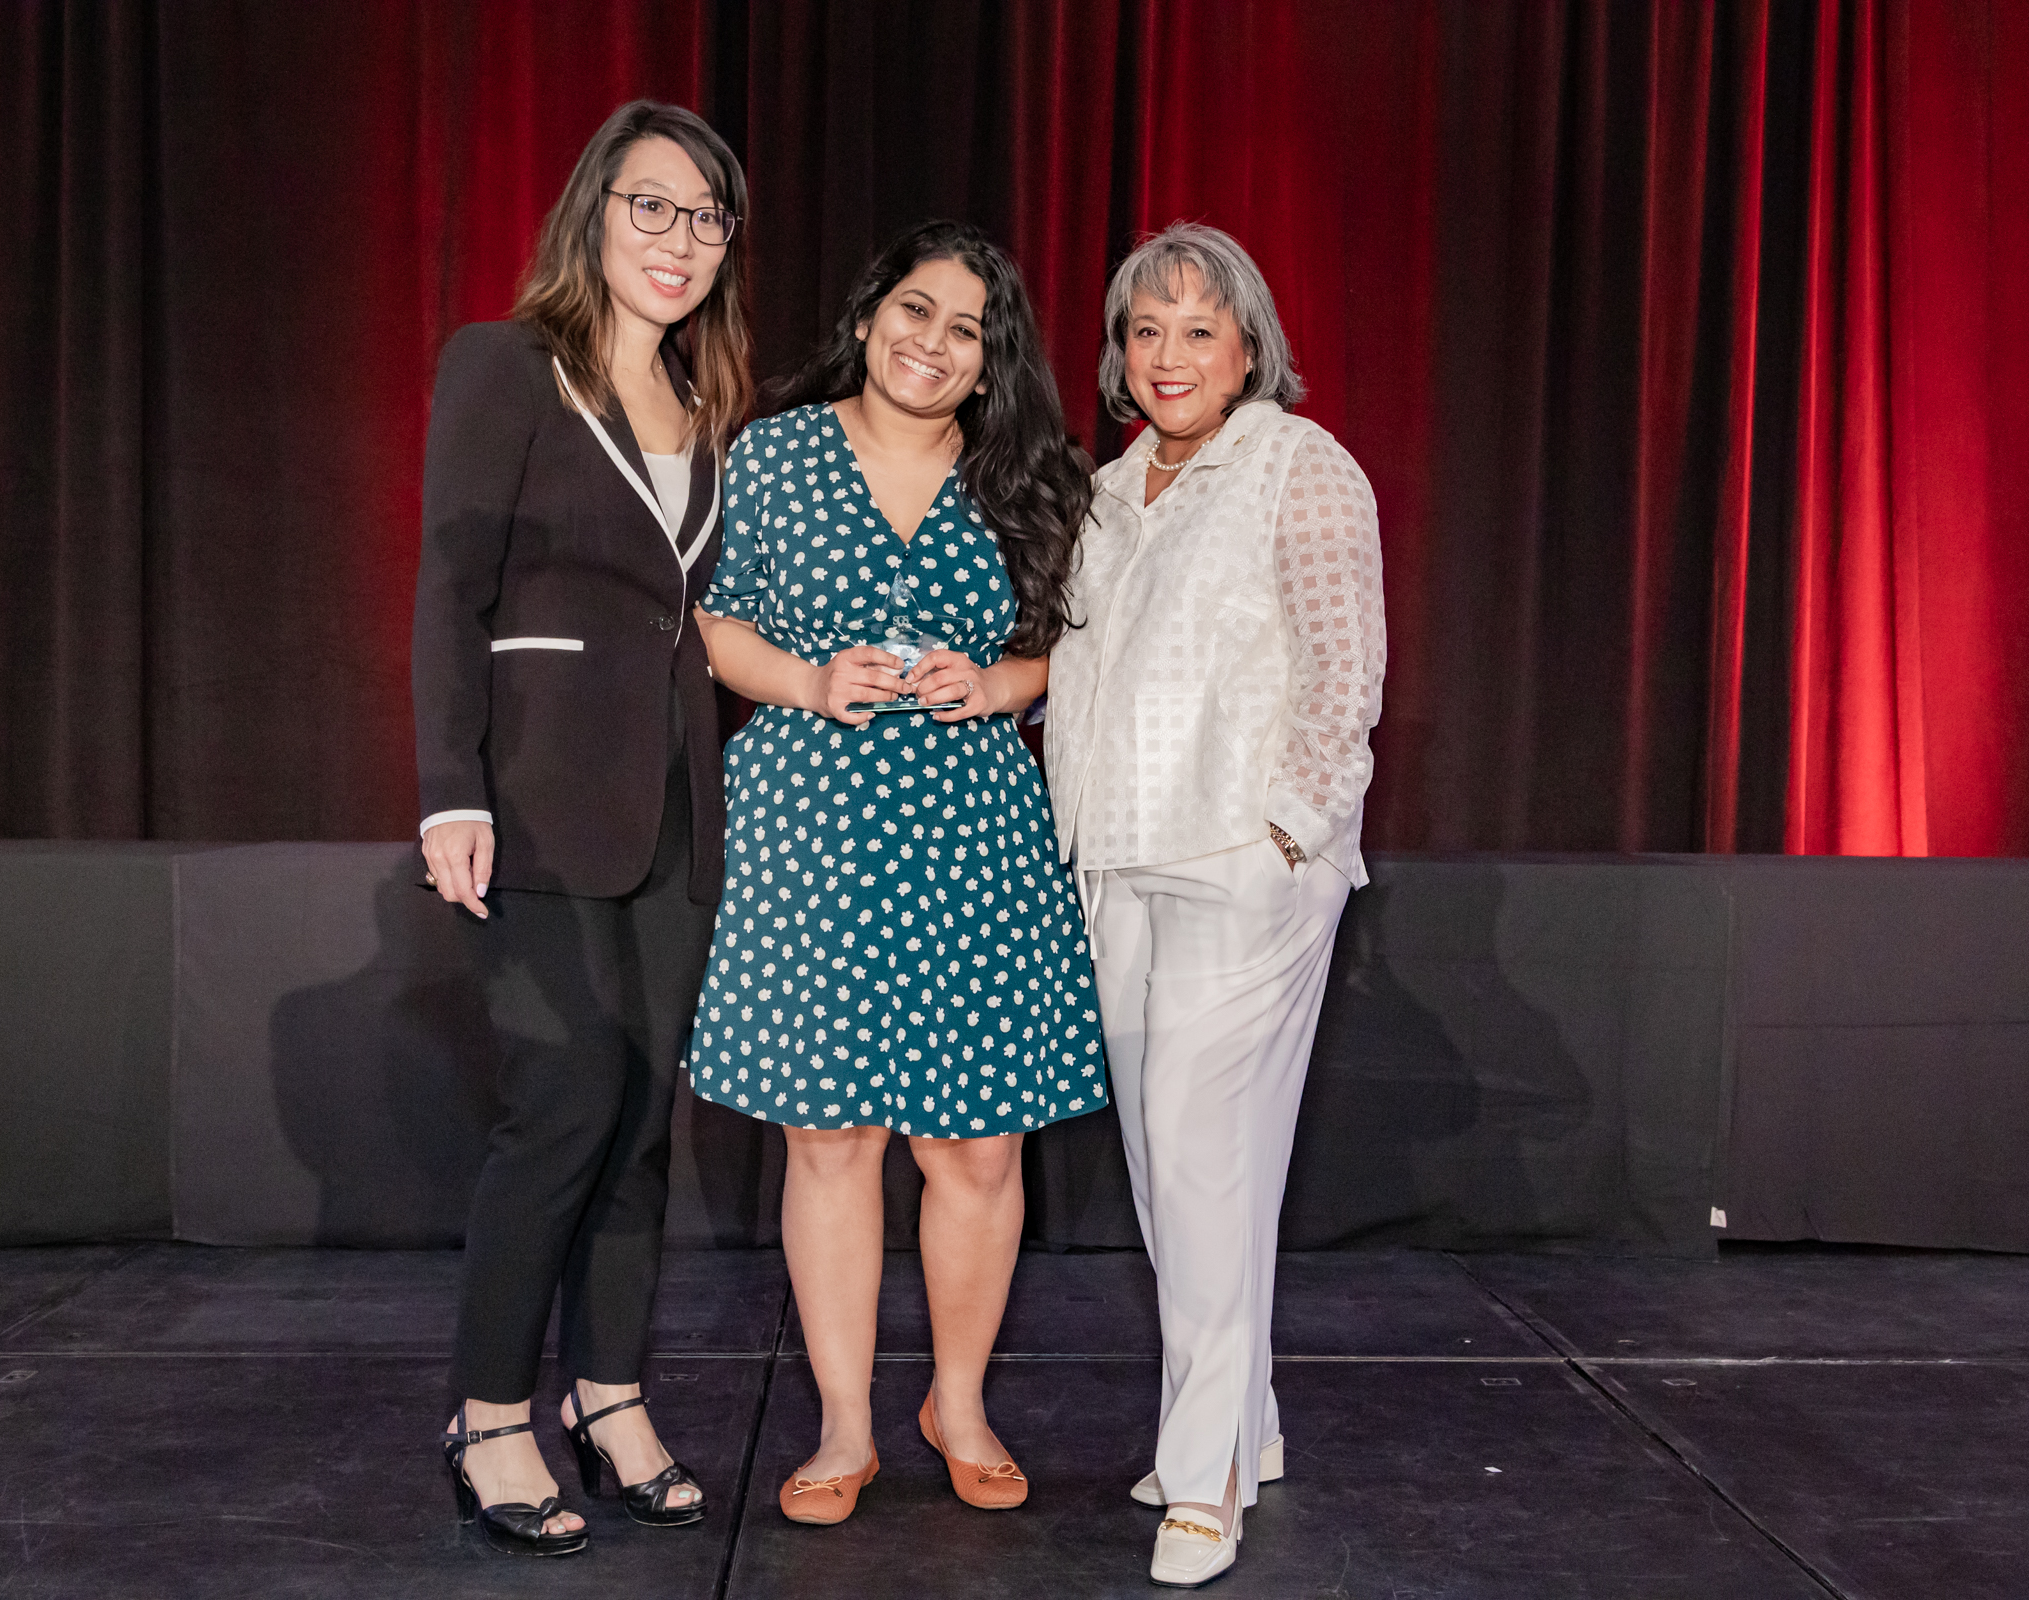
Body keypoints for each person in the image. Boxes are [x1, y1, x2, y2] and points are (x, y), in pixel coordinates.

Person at [687, 220, 1106, 1526]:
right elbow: (714, 625)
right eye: (914, 311)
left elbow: (1088, 647)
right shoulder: (772, 454)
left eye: (966, 329)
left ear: (991, 360)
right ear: (869, 315)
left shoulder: (1032, 476)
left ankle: (959, 1405)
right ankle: (845, 1423)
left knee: (975, 1146)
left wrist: (1004, 683)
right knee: (831, 1137)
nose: (933, 343)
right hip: (812, 822)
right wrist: (810, 680)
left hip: (976, 830)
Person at [411, 100, 751, 1557]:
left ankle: (608, 1397)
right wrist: (451, 787)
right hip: (536, 796)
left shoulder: (706, 405)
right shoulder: (507, 363)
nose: (680, 239)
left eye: (707, 217)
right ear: (594, 212)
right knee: (560, 1100)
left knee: (640, 1117)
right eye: (651, 206)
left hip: (676, 807)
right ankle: (491, 1415)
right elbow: (450, 586)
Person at [1045, 222, 1386, 1588]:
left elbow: (1345, 665)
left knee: (1198, 1163)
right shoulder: (1111, 489)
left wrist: (1289, 833)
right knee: (1170, 1169)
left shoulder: (1300, 465)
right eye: (1146, 330)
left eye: (1199, 328)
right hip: (1115, 861)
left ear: (1251, 349)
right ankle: (1247, 1422)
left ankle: (1207, 1481)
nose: (1169, 354)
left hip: (1243, 861)